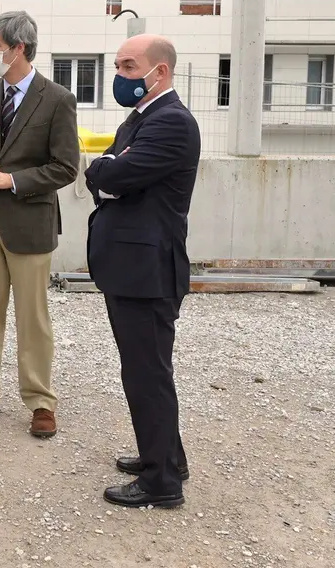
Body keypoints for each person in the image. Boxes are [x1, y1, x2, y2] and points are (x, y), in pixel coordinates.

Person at [0, 11, 79, 438]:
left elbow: (65, 167)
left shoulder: (57, 98)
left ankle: (41, 401)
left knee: (32, 317)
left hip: (30, 224)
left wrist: (11, 180)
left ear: (18, 48)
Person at [84, 34, 200, 508]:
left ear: (160, 73)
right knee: (147, 369)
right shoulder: (143, 118)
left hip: (147, 270)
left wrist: (108, 172)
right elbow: (109, 173)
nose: (120, 75)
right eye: (118, 65)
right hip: (132, 266)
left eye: (129, 66)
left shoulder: (171, 122)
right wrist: (109, 172)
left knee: (146, 373)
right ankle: (168, 457)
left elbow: (109, 175)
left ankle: (161, 483)